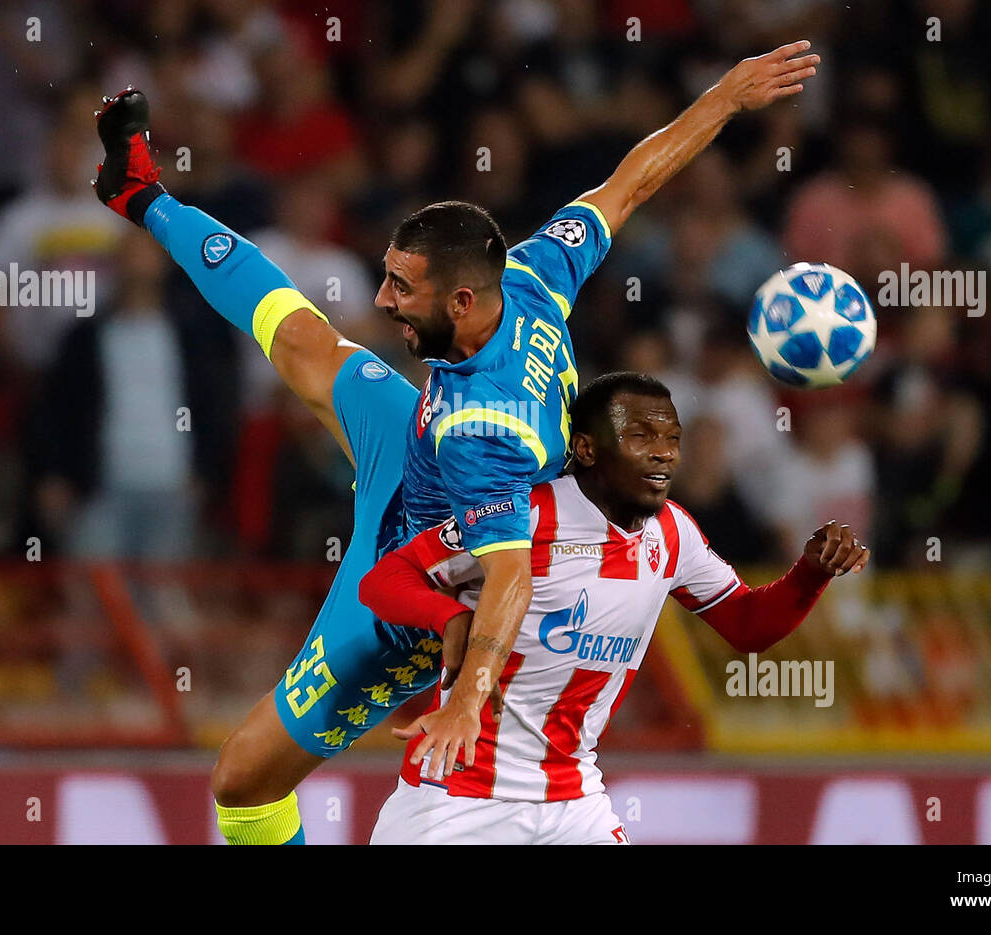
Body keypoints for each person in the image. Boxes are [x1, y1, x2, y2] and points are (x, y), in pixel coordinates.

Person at [90, 41, 820, 845]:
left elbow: (505, 575)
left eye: (403, 289)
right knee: (304, 340)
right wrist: (722, 96)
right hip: (412, 447)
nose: (383, 299)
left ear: (465, 300)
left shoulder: (486, 434)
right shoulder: (536, 278)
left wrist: (467, 693)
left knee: (241, 781)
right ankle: (141, 193)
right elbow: (626, 187)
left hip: (416, 575)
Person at [360, 373, 868, 844]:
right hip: (458, 794)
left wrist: (810, 574)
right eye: (642, 437)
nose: (664, 454)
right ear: (586, 448)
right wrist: (448, 617)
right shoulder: (524, 515)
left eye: (672, 440)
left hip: (572, 802)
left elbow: (747, 625)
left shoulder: (674, 534)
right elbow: (385, 579)